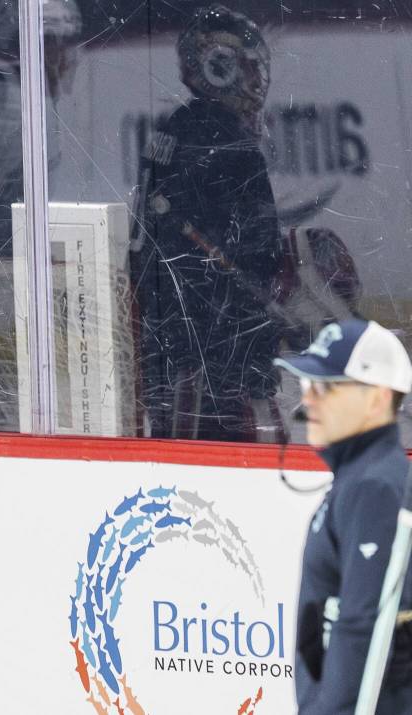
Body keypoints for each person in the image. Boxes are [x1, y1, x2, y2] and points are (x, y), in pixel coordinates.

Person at [130, 4, 282, 442]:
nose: (256, 80)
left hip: (176, 344)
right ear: (221, 69)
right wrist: (257, 334)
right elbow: (253, 256)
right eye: (248, 66)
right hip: (209, 353)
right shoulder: (225, 141)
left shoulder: (176, 128)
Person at [275, 319, 412, 713]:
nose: (308, 400)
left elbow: (362, 628)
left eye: (328, 386)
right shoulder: (355, 480)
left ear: (377, 399)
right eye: (307, 384)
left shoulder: (375, 488)